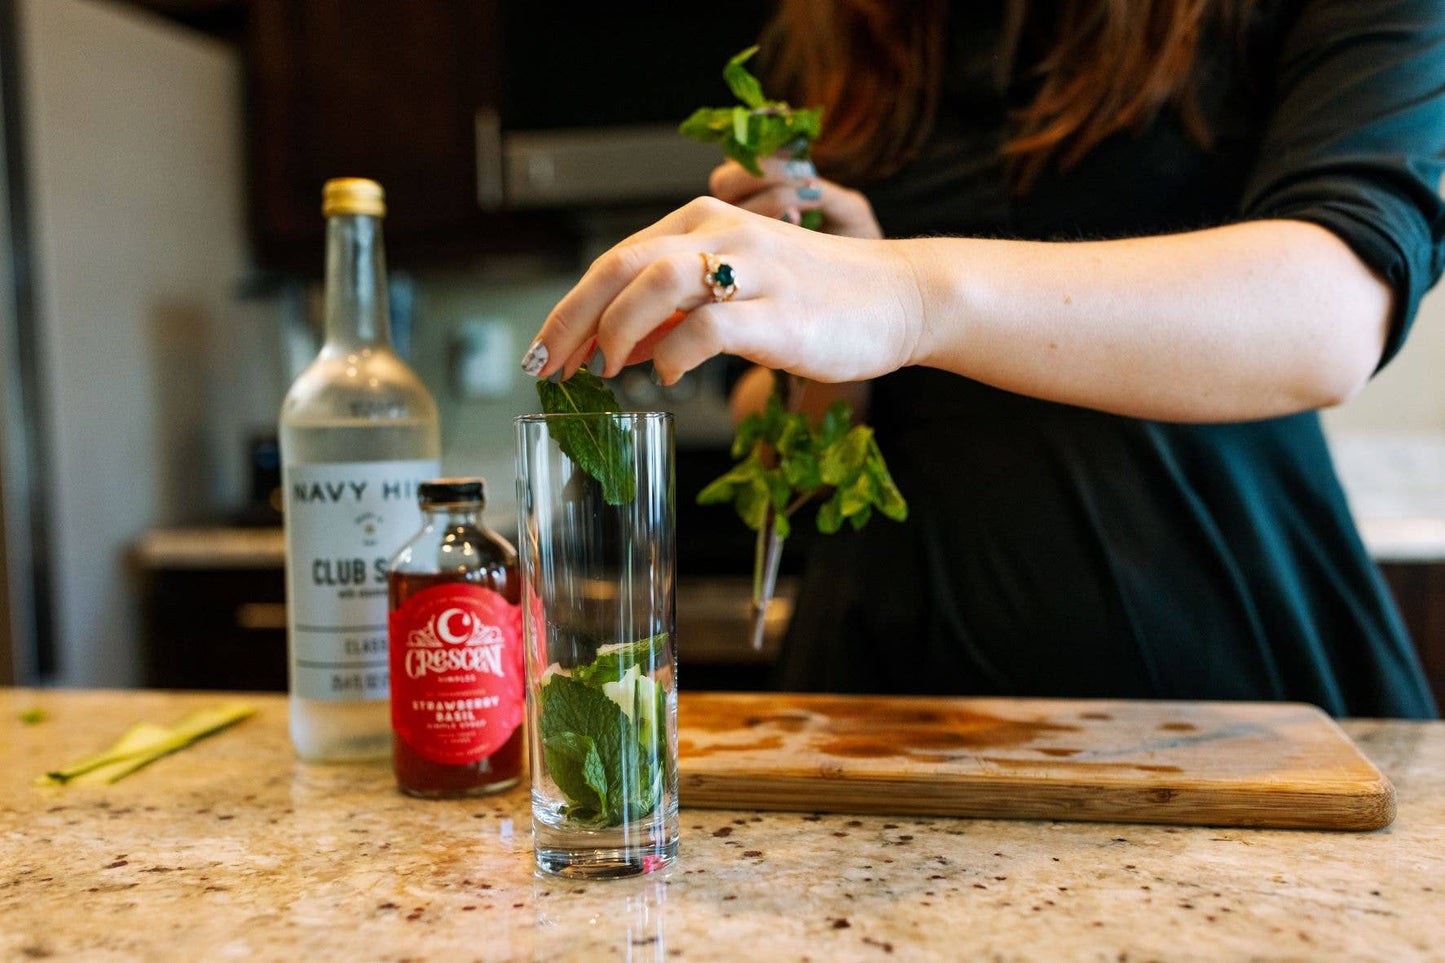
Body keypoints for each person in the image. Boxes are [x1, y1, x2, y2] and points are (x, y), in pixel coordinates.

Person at [521, 0, 1444, 718]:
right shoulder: (839, 26)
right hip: (883, 697)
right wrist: (828, 346)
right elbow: (788, 438)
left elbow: (1331, 310)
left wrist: (905, 292)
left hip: (1219, 680)